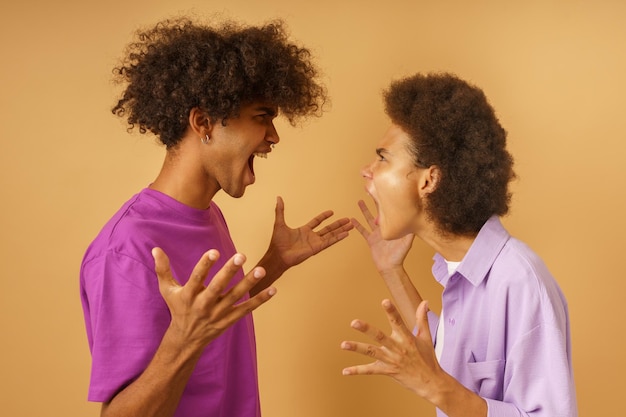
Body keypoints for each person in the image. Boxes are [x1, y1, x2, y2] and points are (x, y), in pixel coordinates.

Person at [79, 17, 353, 417]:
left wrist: (273, 264)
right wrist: (183, 340)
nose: (274, 135)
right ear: (203, 122)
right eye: (262, 117)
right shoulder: (127, 249)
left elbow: (210, 319)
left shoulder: (208, 215)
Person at [340, 73, 577, 416]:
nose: (367, 170)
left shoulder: (519, 280)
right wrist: (392, 270)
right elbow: (452, 356)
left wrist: (435, 388)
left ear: (429, 179)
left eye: (383, 158)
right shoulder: (460, 272)